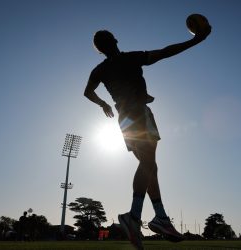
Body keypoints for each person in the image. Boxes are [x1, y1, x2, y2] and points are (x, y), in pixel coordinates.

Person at [84, 24, 211, 249]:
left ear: (100, 49)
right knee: (149, 164)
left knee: (149, 166)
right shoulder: (130, 58)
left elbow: (87, 91)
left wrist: (103, 103)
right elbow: (165, 52)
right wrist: (195, 40)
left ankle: (160, 216)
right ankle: (133, 216)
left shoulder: (100, 70)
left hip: (124, 118)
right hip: (138, 113)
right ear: (114, 40)